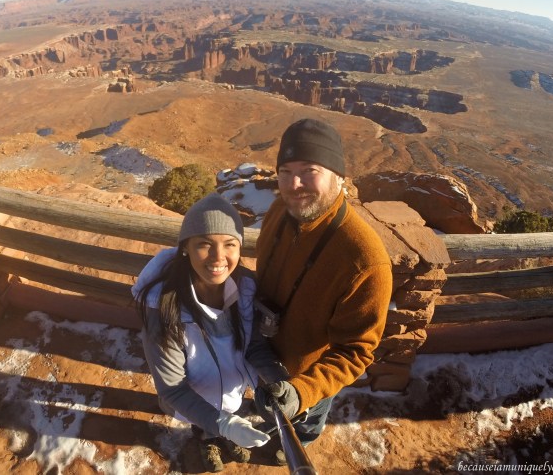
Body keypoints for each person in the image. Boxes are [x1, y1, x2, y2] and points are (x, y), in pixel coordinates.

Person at [253, 118, 393, 465]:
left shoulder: (364, 259)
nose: (293, 183)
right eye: (284, 171)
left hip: (309, 375)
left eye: (309, 170)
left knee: (306, 422)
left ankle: (303, 438)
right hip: (262, 352)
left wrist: (302, 393)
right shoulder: (278, 212)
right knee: (266, 404)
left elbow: (356, 351)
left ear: (339, 177)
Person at [133, 193, 286, 472]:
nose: (218, 257)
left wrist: (277, 378)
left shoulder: (247, 290)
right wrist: (221, 424)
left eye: (230, 244)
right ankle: (208, 438)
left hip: (232, 392)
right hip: (192, 401)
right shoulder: (164, 307)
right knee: (205, 425)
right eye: (204, 244)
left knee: (229, 411)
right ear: (185, 249)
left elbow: (254, 346)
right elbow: (172, 389)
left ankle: (220, 431)